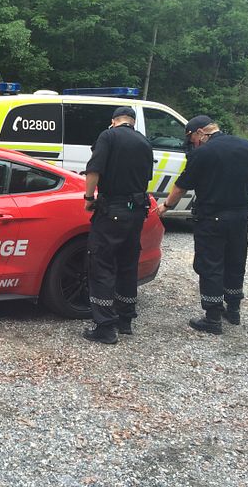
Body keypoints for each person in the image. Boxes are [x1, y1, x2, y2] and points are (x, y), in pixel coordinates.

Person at [156, 115, 248, 334]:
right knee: (235, 261)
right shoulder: (246, 145)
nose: (193, 144)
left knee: (211, 264)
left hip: (212, 218)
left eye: (192, 139)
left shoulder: (203, 153)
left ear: (200, 133)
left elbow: (181, 186)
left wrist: (166, 206)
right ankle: (233, 310)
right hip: (240, 217)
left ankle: (212, 317)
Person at [83, 106, 154, 344]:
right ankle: (125, 320)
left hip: (112, 210)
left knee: (101, 264)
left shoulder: (108, 136)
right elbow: (146, 178)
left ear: (113, 121)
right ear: (132, 122)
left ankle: (105, 327)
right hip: (136, 212)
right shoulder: (144, 142)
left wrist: (89, 198)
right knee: (127, 265)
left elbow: (94, 170)